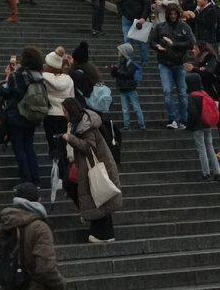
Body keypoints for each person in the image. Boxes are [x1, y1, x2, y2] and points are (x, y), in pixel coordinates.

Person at [61, 97, 121, 244]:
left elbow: (89, 147)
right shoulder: (81, 123)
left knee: (98, 197)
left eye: (64, 111)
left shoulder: (85, 126)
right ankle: (104, 234)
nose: (63, 114)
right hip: (91, 166)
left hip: (96, 166)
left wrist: (70, 139)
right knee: (98, 197)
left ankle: (102, 234)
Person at [0, 46, 45, 186]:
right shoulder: (38, 76)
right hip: (31, 115)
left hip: (16, 116)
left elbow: (5, 92)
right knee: (29, 147)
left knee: (19, 148)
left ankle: (26, 180)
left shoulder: (17, 75)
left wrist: (7, 78)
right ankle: (35, 179)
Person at [148, 4, 195, 129]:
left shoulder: (184, 27)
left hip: (179, 63)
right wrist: (157, 46)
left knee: (182, 92)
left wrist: (174, 44)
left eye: (175, 14)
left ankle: (183, 119)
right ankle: (172, 118)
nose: (173, 16)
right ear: (168, 14)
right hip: (164, 63)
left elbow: (191, 43)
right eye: (171, 14)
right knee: (167, 91)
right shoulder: (160, 27)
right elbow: (152, 41)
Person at [184, 72, 220, 182]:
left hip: (197, 126)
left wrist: (189, 126)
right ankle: (217, 171)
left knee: (201, 149)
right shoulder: (205, 94)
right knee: (210, 147)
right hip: (207, 124)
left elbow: (192, 113)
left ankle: (206, 173)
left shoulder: (192, 96)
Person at [42, 49, 74, 164]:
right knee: (65, 146)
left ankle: (56, 173)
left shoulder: (43, 79)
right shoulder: (69, 80)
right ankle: (65, 173)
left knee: (53, 146)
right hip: (64, 116)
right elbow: (72, 99)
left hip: (50, 115)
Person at [109, 42, 145, 131]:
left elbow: (128, 74)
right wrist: (113, 70)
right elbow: (115, 75)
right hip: (123, 89)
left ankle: (141, 124)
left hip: (130, 89)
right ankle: (126, 125)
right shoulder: (119, 63)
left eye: (120, 51)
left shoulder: (130, 64)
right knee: (125, 109)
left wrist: (117, 71)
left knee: (136, 107)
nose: (118, 53)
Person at [117, 0, 150, 67]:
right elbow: (119, 2)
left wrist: (143, 17)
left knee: (141, 43)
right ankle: (129, 62)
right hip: (126, 18)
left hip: (139, 20)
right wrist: (121, 14)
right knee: (127, 41)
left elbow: (146, 5)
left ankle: (144, 62)